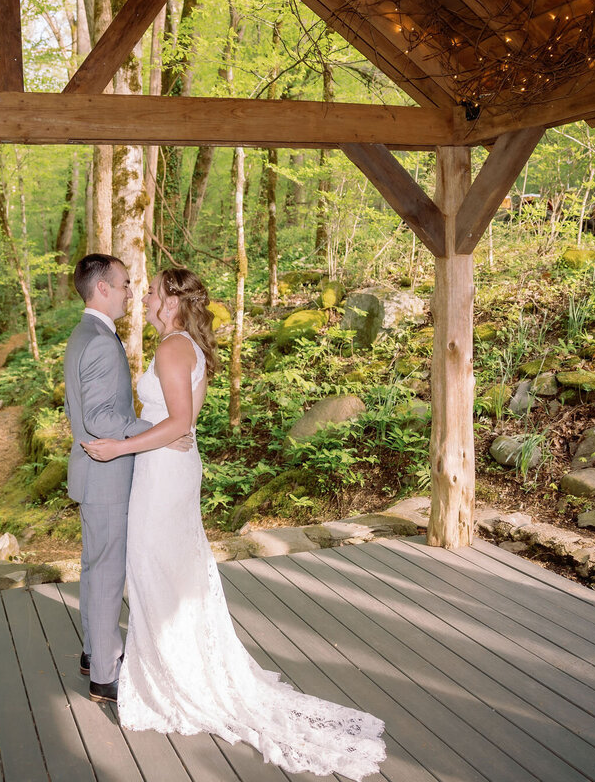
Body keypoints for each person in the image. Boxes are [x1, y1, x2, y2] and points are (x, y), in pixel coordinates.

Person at [81, 268, 386, 780]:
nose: (146, 296)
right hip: (168, 465)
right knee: (165, 567)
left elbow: (179, 422)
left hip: (163, 471)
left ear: (173, 303)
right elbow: (180, 424)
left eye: (153, 291)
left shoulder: (172, 348)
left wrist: (120, 446)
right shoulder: (181, 344)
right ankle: (174, 660)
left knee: (156, 566)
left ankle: (177, 674)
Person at [63, 253, 192, 704]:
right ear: (102, 288)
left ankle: (91, 651)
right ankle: (104, 673)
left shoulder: (88, 334)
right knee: (106, 575)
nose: (131, 293)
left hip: (98, 474)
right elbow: (100, 417)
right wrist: (154, 434)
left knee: (96, 567)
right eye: (123, 285)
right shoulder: (99, 339)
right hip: (107, 476)